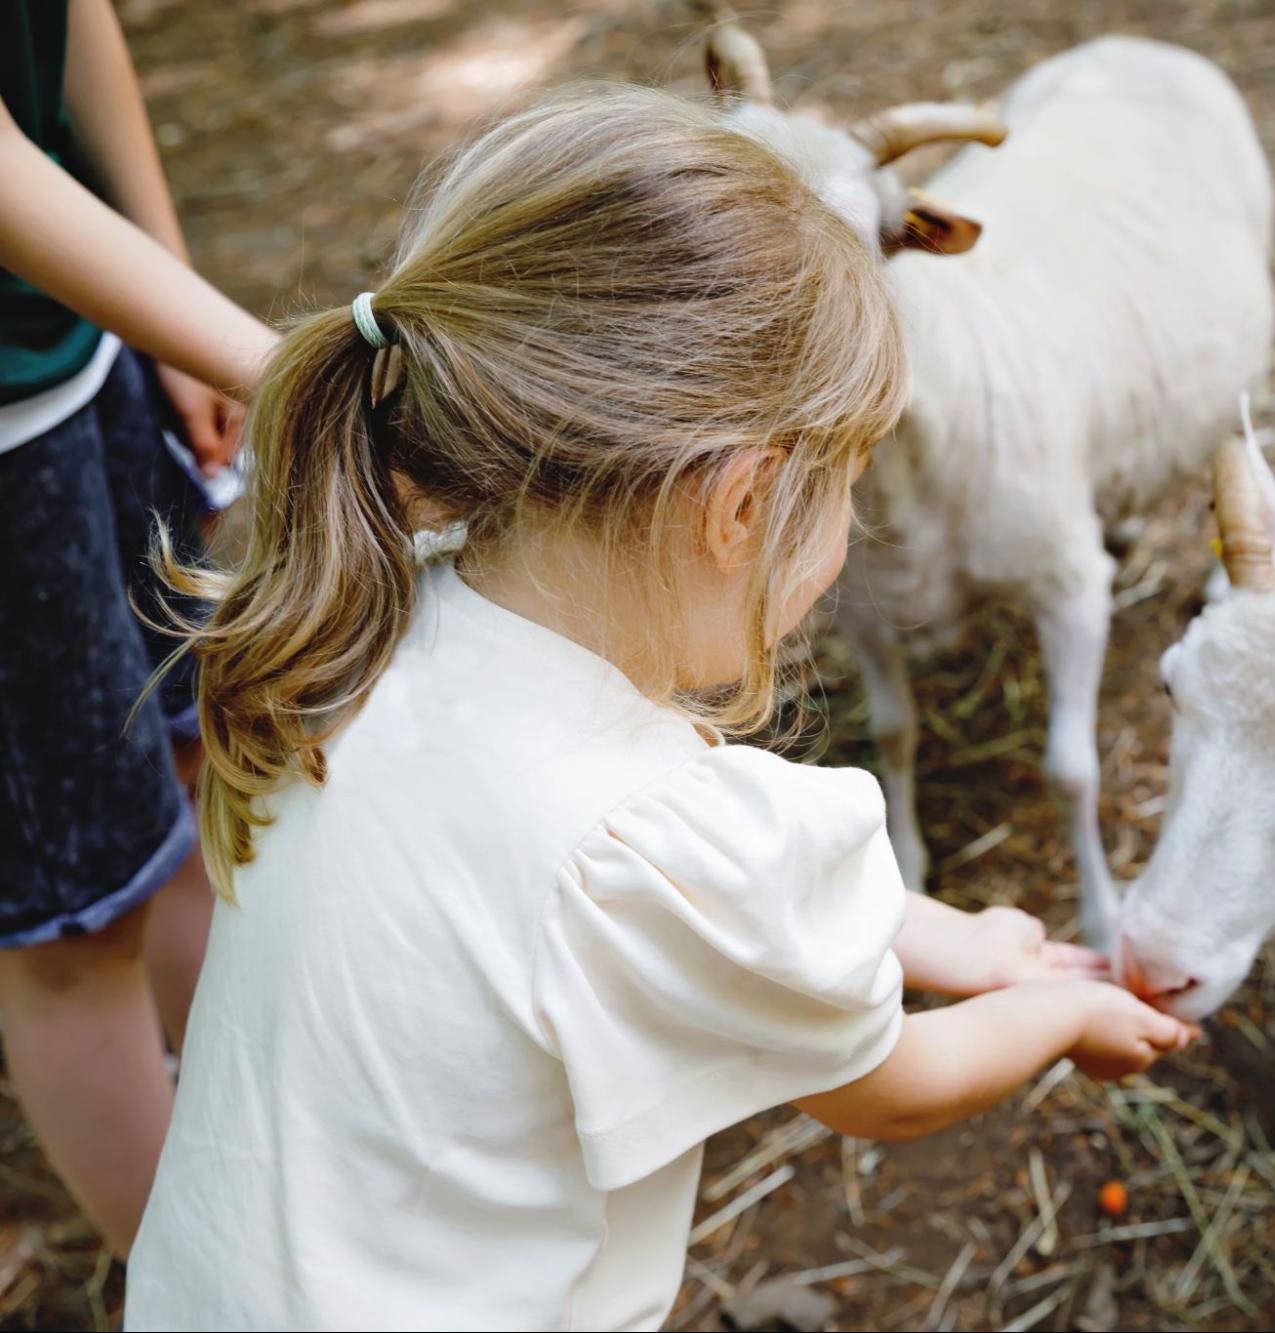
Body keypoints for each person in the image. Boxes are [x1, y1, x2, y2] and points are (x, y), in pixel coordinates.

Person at [124, 84, 1195, 1329]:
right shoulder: (647, 831)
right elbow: (894, 1086)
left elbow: (666, 888)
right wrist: (1056, 1007)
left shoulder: (360, 624)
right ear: (740, 508)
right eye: (849, 482)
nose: (851, 528)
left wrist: (957, 939)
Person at [0, 0, 276, 1257]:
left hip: (81, 339)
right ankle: (213, 1284)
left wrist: (170, 306)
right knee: (77, 921)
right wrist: (283, 365)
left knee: (187, 770)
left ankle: (285, 1184)